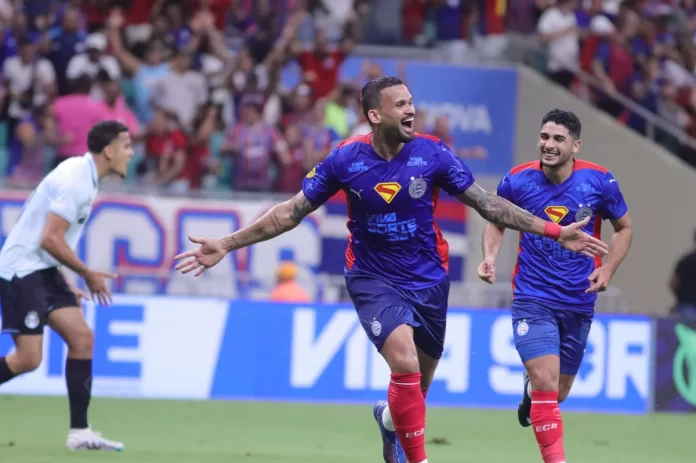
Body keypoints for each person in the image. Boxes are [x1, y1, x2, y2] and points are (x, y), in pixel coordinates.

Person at [173, 78, 609, 463]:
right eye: (400, 104)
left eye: (411, 102)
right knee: (404, 363)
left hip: (429, 279)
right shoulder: (345, 160)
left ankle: (387, 420)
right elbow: (290, 213)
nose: (411, 109)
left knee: (415, 390)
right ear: (374, 115)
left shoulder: (433, 154)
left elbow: (488, 204)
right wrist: (227, 243)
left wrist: (555, 231)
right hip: (372, 278)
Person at [477, 109, 632, 463]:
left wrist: (608, 269)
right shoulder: (517, 180)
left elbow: (624, 228)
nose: (549, 144)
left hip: (578, 299)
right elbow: (495, 219)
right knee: (546, 382)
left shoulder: (599, 181)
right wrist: (490, 256)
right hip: (532, 296)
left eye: (559, 139)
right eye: (545, 137)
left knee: (556, 392)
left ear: (575, 146)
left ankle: (530, 392)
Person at [0, 120, 134, 451]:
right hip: (21, 270)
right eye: (127, 146)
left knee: (82, 339)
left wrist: (62, 281)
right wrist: (87, 273)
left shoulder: (84, 175)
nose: (131, 153)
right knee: (28, 359)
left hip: (43, 270)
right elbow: (49, 238)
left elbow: (49, 239)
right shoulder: (77, 180)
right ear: (109, 151)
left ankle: (80, 432)